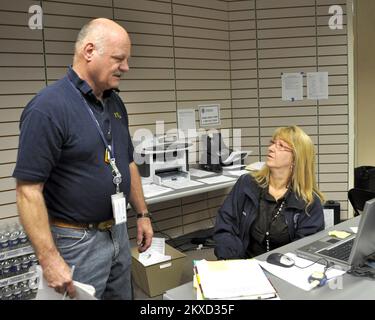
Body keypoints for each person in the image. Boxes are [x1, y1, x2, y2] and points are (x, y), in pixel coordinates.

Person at [13, 18, 153, 299]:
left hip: (117, 231)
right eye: (119, 59)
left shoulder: (114, 102)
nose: (126, 67)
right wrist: (49, 259)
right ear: (89, 51)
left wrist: (142, 214)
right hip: (76, 241)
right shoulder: (48, 107)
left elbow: (125, 162)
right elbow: (28, 191)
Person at [214, 125, 325, 260]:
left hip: (283, 269)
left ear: (296, 158)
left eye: (281, 146)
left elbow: (304, 249)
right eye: (272, 143)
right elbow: (225, 224)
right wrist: (232, 261)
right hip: (242, 265)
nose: (271, 148)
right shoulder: (247, 184)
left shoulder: (309, 203)